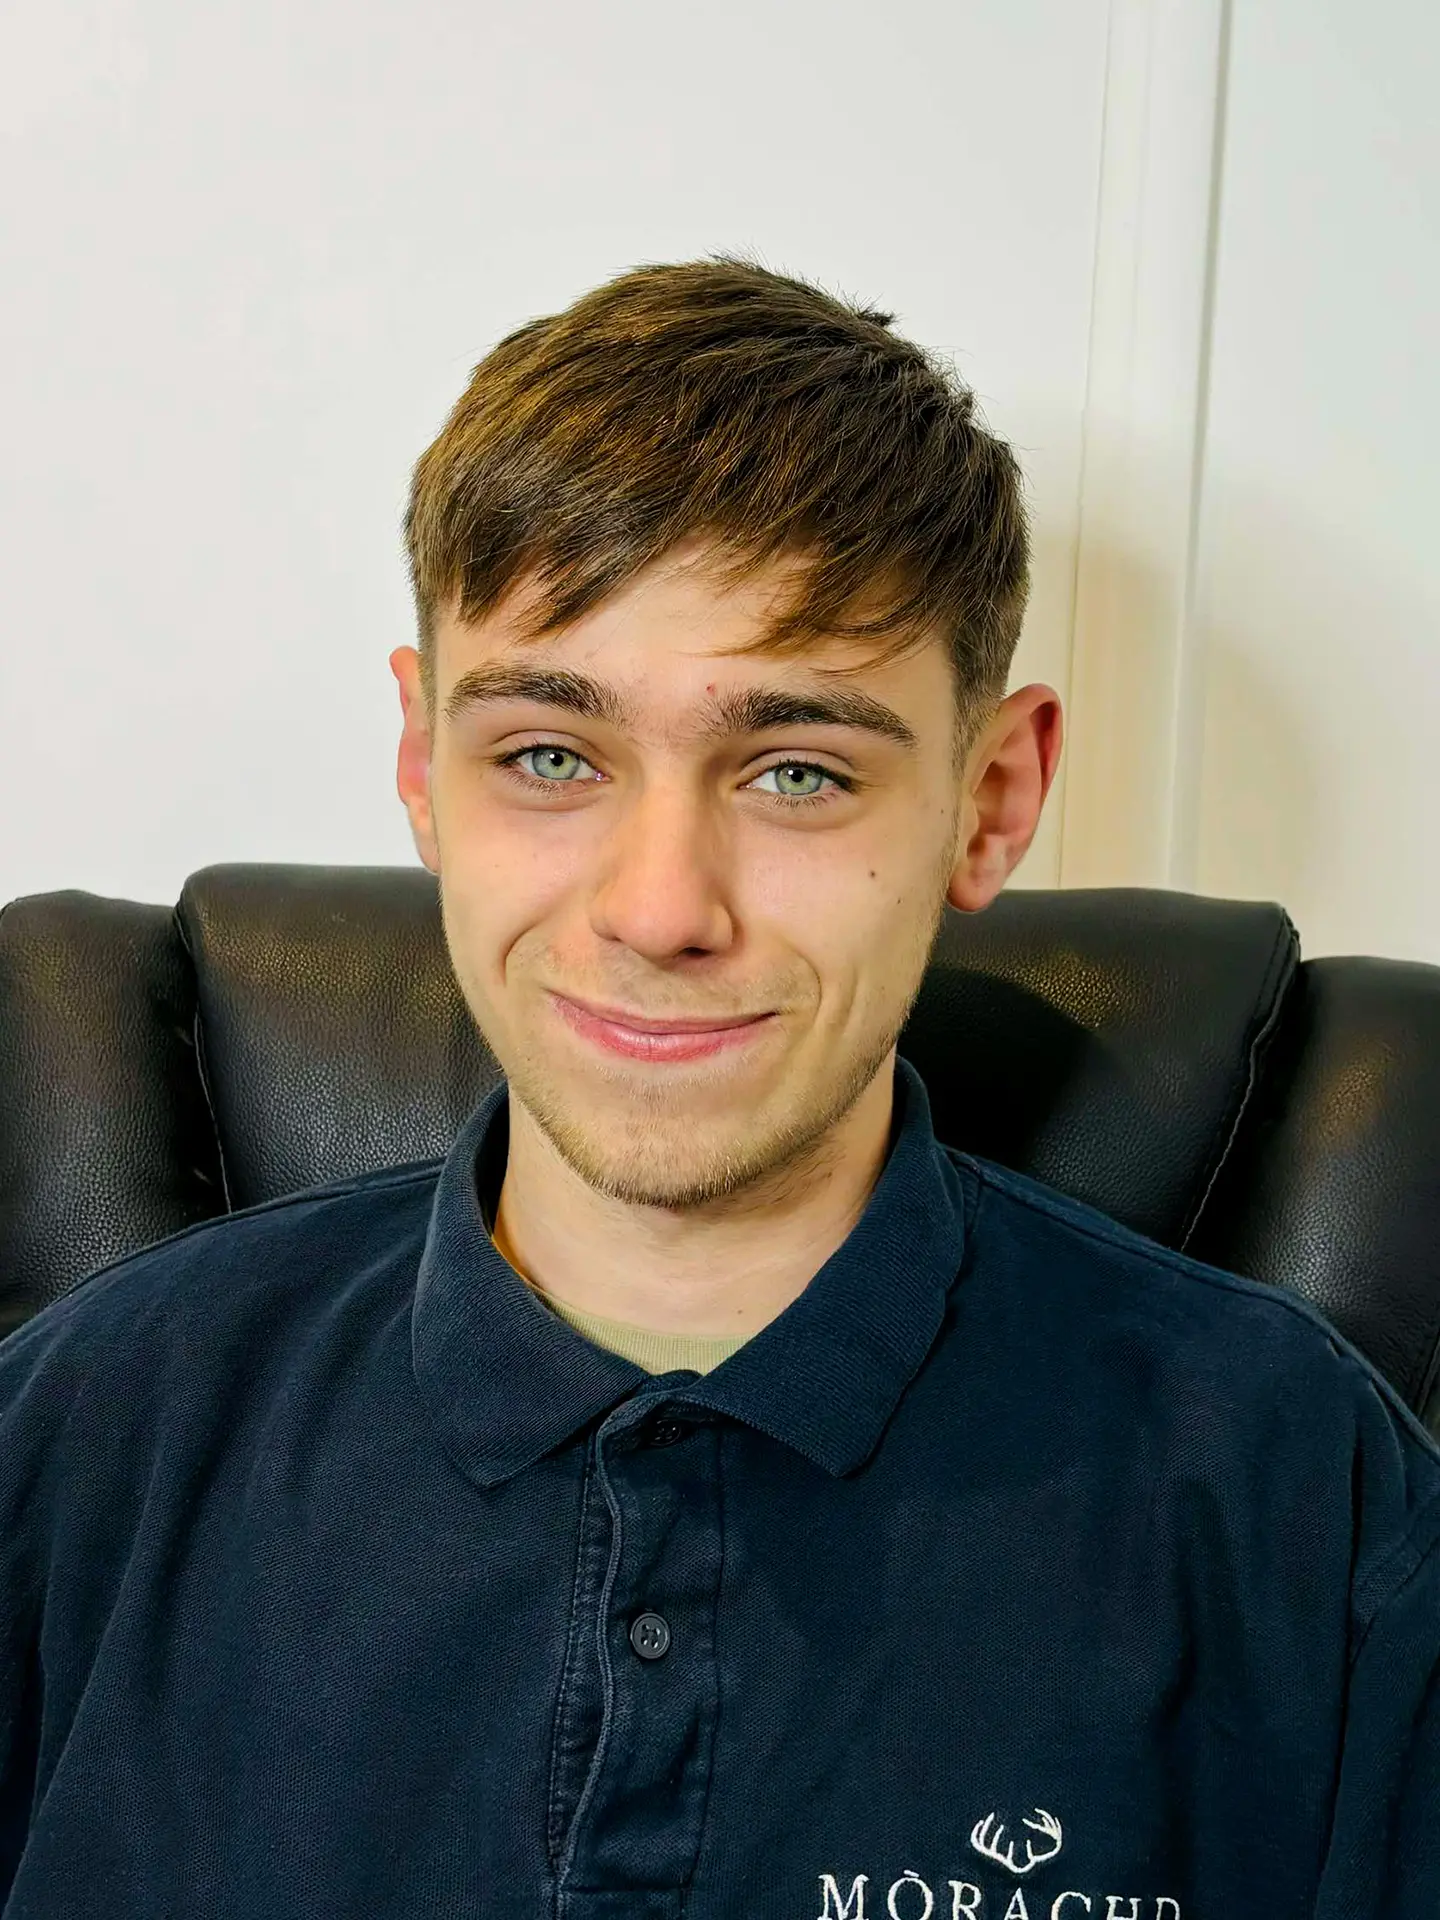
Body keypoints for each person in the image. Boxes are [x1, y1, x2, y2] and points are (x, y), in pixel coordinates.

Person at [0, 256, 1435, 1920]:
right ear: (421, 769)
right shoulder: (77, 1441)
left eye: (798, 770)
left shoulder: (1309, 1511)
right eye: (550, 753)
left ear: (991, 797)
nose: (661, 907)